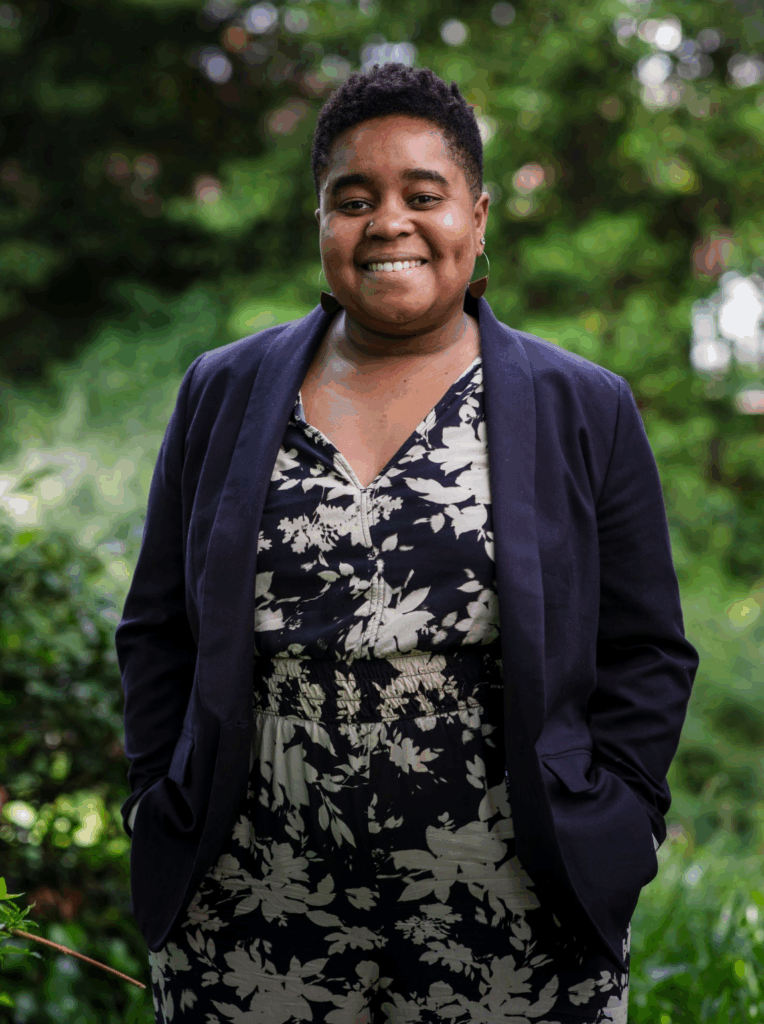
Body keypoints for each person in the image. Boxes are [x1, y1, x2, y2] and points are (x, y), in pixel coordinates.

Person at [116, 63, 699, 1024]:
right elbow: (158, 627)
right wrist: (154, 798)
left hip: (518, 916)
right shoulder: (220, 391)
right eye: (354, 199)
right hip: (251, 911)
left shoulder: (581, 406)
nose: (388, 221)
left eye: (422, 195)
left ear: (476, 215)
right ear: (321, 223)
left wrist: (620, 821)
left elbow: (648, 650)